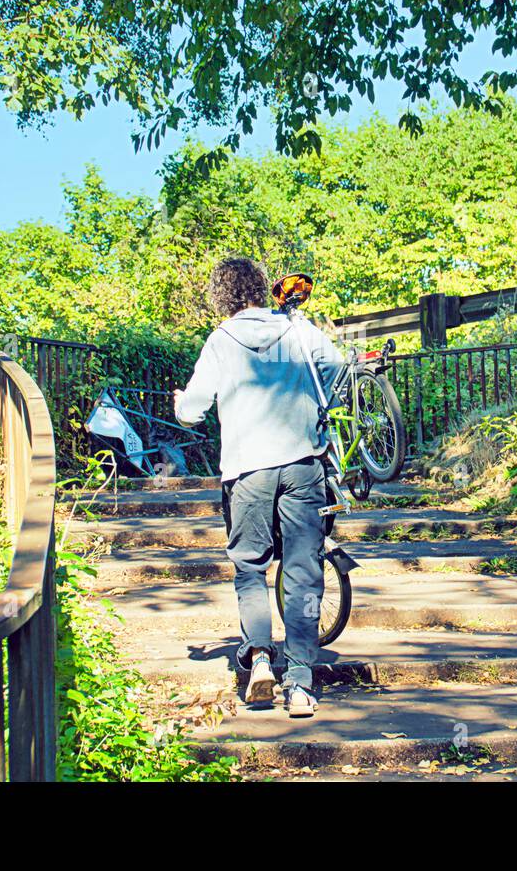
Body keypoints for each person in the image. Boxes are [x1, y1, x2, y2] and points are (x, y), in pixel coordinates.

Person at [173, 257, 343, 718]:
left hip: (248, 469)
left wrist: (180, 405)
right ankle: (303, 683)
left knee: (250, 568)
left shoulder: (220, 340)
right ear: (261, 288)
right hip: (302, 462)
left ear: (221, 296)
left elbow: (193, 410)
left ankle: (261, 657)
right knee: (304, 568)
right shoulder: (296, 328)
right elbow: (337, 365)